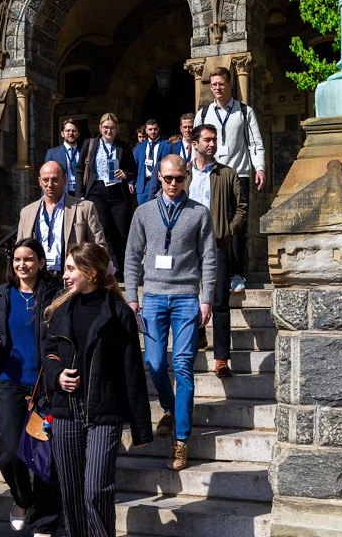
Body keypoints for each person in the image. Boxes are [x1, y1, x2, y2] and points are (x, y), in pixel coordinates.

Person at [42, 242, 153, 537]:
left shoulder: (119, 313)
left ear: (90, 272)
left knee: (96, 490)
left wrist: (141, 427)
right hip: (66, 411)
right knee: (72, 492)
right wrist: (57, 377)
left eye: (70, 269)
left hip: (104, 412)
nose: (64, 275)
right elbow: (48, 353)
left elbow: (132, 369)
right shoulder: (60, 308)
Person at [123, 154, 216, 471]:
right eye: (167, 178)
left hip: (187, 298)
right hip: (152, 297)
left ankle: (181, 441)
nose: (173, 183)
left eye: (179, 178)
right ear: (158, 177)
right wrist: (131, 296)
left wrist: (207, 298)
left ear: (186, 177)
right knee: (154, 361)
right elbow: (133, 255)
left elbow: (209, 258)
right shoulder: (144, 212)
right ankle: (169, 405)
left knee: (184, 366)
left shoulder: (199, 213)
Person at [0, 238, 63, 537]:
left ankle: (45, 523)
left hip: (44, 385)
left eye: (28, 259)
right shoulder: (3, 296)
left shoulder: (54, 294)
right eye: (17, 260)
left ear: (41, 262)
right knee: (6, 453)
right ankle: (22, 500)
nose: (22, 265)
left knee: (44, 459)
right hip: (9, 383)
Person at [195, 66, 265, 294]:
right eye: (213, 84)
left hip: (238, 174)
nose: (217, 88)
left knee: (237, 226)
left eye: (221, 84)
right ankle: (209, 273)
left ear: (230, 85)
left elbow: (255, 144)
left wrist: (260, 168)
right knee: (209, 225)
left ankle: (236, 274)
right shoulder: (204, 113)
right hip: (212, 175)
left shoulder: (244, 112)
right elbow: (194, 145)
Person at [187, 124, 246, 378]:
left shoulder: (227, 174)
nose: (212, 144)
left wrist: (229, 230)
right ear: (195, 143)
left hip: (217, 244)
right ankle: (197, 338)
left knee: (220, 302)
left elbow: (241, 207)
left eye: (214, 140)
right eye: (207, 140)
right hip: (187, 245)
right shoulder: (184, 173)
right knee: (189, 298)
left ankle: (221, 358)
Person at [17, 161, 107, 275]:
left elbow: (99, 247)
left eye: (55, 180)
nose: (50, 184)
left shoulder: (84, 208)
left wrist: (86, 271)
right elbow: (19, 250)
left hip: (70, 278)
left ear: (64, 179)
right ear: (39, 181)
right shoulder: (27, 212)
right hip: (37, 278)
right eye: (45, 180)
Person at [79, 113, 136, 266]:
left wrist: (125, 174)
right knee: (103, 229)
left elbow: (133, 169)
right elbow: (79, 169)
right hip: (96, 190)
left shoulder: (123, 146)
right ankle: (110, 267)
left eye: (112, 128)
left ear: (117, 129)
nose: (108, 131)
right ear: (100, 128)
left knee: (121, 230)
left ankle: (123, 266)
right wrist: (81, 194)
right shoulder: (89, 144)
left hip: (118, 192)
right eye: (105, 128)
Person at [131, 118, 170, 206]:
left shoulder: (166, 145)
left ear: (159, 129)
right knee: (143, 210)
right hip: (143, 184)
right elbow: (133, 166)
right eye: (150, 129)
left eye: (155, 129)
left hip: (160, 183)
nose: (153, 132)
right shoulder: (139, 147)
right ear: (146, 130)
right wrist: (131, 182)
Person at [44, 119, 83, 196]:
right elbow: (46, 176)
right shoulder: (53, 153)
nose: (71, 133)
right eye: (68, 131)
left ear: (78, 134)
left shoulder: (84, 152)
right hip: (61, 194)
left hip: (80, 195)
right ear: (62, 133)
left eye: (74, 131)